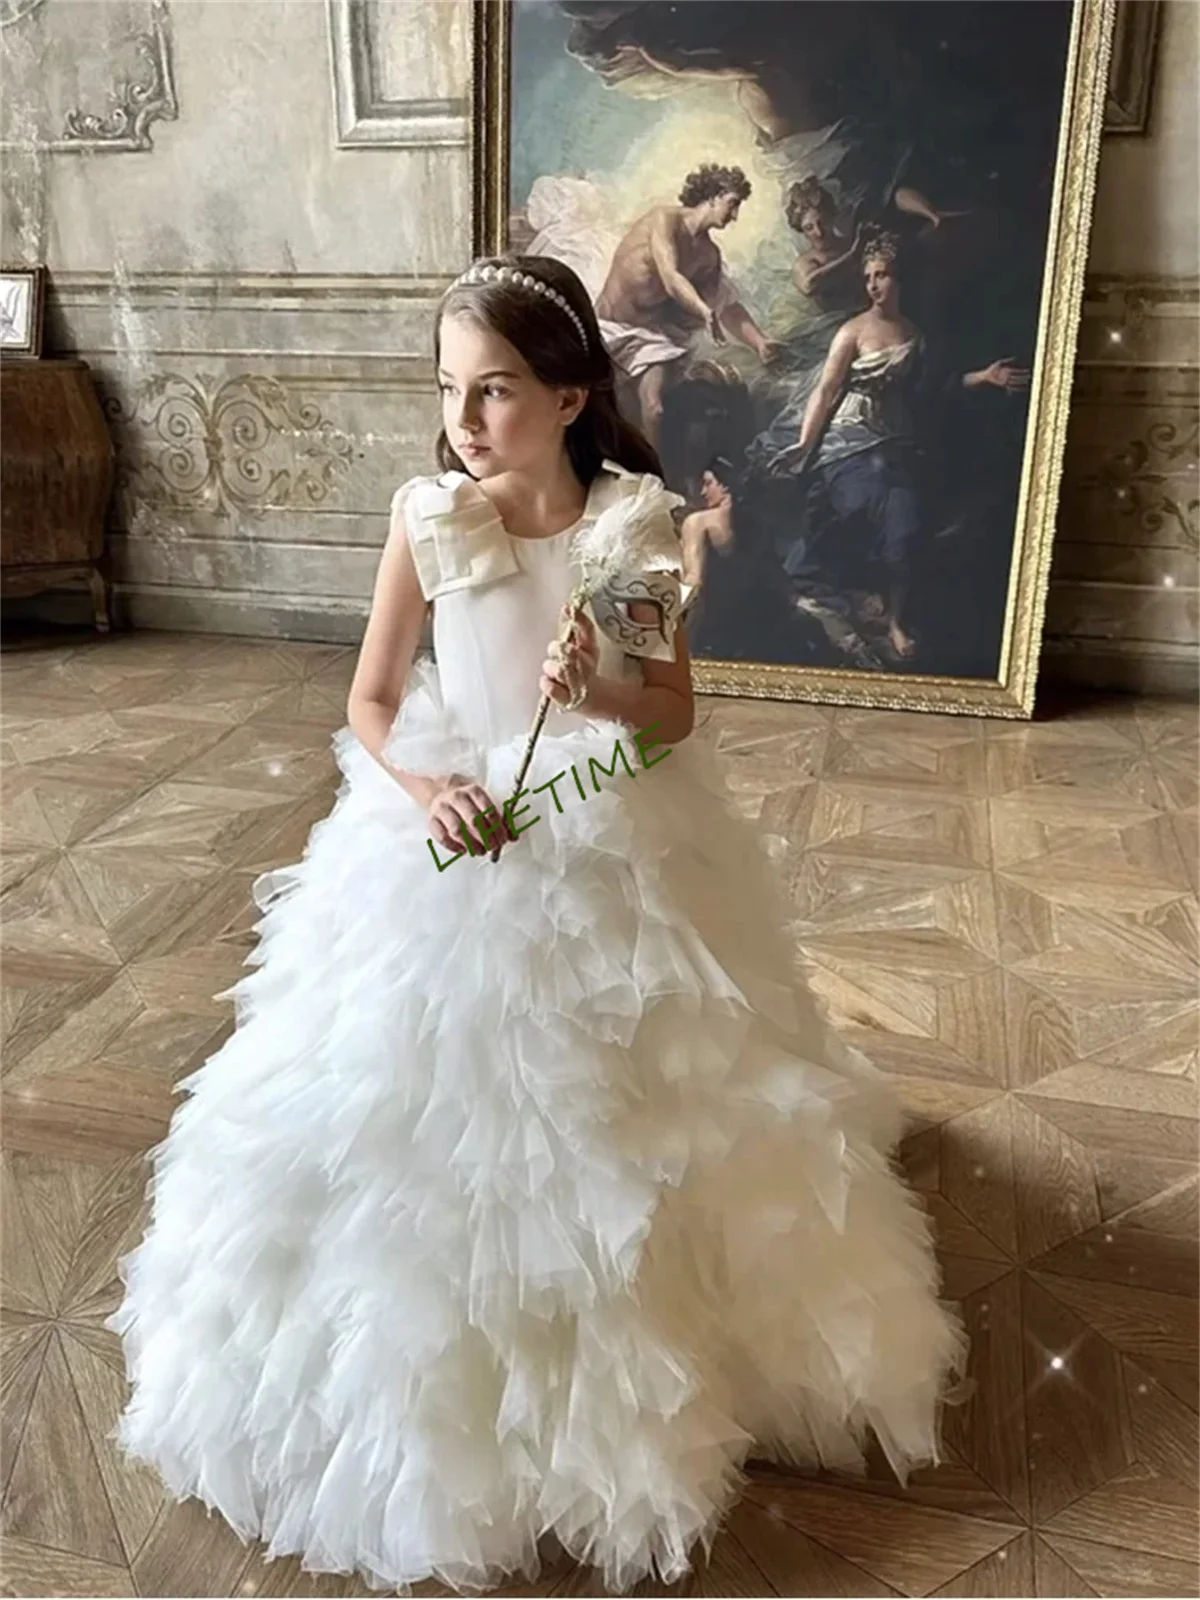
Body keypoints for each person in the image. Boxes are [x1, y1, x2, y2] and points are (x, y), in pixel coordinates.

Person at [108, 253, 966, 1595]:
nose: (465, 419)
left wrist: (599, 681)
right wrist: (425, 784)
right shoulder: (431, 517)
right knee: (394, 1094)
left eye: (496, 391)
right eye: (451, 389)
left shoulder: (626, 529)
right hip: (455, 819)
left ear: (571, 396)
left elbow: (664, 716)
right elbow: (375, 701)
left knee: (646, 1100)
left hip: (610, 812)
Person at [755, 231, 1027, 661]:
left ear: (899, 280)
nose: (873, 284)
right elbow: (825, 391)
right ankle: (853, 595)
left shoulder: (915, 336)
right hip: (845, 441)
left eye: (882, 275)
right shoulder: (852, 330)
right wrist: (806, 443)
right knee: (866, 496)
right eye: (868, 277)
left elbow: (933, 391)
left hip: (893, 441)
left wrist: (984, 377)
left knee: (906, 521)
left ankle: (897, 620)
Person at [594, 164, 780, 444]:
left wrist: (760, 342)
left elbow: (726, 306)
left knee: (655, 409)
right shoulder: (664, 219)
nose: (734, 216)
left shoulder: (708, 256)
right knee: (609, 409)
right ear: (713, 197)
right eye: (732, 205)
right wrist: (704, 311)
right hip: (608, 328)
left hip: (650, 340)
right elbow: (671, 278)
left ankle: (656, 479)